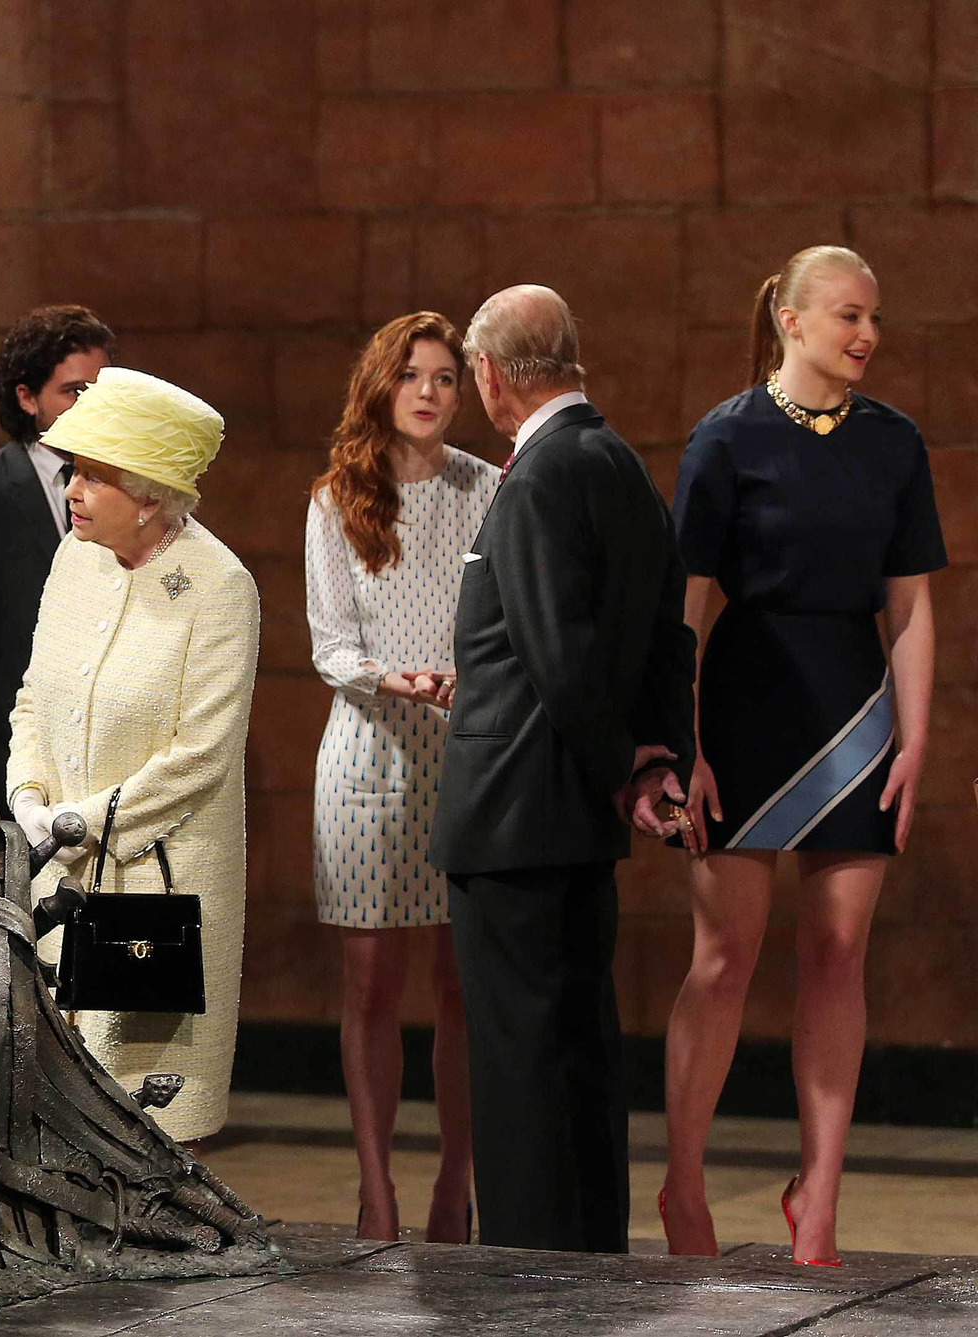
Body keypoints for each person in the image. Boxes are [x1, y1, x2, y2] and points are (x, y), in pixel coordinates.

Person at [658, 247, 944, 1266]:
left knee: (835, 951)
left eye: (872, 318)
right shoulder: (723, 437)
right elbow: (682, 604)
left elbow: (909, 600)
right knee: (723, 956)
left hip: (855, 711)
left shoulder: (893, 442)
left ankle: (815, 1198)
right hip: (740, 703)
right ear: (788, 317)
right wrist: (678, 738)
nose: (864, 334)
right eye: (846, 315)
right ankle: (681, 1180)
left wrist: (914, 737)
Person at [430, 285, 696, 1255]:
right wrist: (656, 756)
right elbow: (666, 636)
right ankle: (590, 1268)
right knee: (576, 1056)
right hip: (569, 814)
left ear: (491, 375)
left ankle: (530, 1284)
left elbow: (555, 653)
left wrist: (625, 761)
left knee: (519, 1070)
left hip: (513, 816)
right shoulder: (621, 464)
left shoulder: (541, 473)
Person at [7, 366, 260, 1142]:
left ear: (150, 492)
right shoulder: (73, 559)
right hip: (56, 873)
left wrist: (76, 819)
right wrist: (26, 797)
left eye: (94, 474)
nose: (73, 489)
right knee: (55, 1120)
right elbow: (31, 700)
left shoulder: (220, 586)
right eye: (72, 471)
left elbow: (201, 754)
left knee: (147, 1131)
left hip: (161, 886)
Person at [305, 311, 497, 1243]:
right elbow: (331, 644)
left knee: (462, 987)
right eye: (412, 374)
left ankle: (453, 1187)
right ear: (382, 386)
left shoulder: (490, 488)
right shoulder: (339, 495)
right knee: (373, 984)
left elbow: (506, 618)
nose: (428, 391)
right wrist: (399, 677)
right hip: (369, 750)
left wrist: (469, 675)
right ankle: (375, 1188)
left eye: (446, 377)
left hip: (464, 749)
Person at [0, 304, 114, 808]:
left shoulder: (129, 491)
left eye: (100, 391)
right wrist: (46, 741)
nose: (90, 404)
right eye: (74, 390)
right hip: (2, 765)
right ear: (27, 397)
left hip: (105, 768)